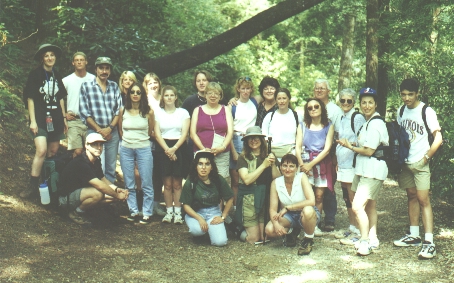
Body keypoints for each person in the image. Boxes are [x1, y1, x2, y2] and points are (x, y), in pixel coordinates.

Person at [393, 78, 443, 259]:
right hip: (406, 162)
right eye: (403, 94)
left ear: (417, 93)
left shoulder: (426, 111)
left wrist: (426, 158)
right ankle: (414, 234)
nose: (406, 98)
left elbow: (438, 138)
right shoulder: (401, 111)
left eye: (410, 94)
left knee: (424, 200)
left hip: (421, 162)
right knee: (411, 197)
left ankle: (429, 242)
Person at [337, 87, 389, 256]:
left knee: (357, 206)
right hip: (363, 170)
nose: (367, 106)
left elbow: (368, 150)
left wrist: (350, 146)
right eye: (364, 102)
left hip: (373, 170)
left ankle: (364, 240)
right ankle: (373, 238)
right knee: (370, 206)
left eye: (370, 103)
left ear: (376, 104)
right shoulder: (367, 122)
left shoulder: (376, 123)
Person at [20, 44, 68, 198]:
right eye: (46, 55)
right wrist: (32, 121)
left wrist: (64, 118)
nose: (50, 58)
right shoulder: (35, 74)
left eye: (52, 55)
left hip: (56, 119)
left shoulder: (57, 75)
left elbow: (60, 98)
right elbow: (30, 98)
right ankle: (33, 186)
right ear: (42, 58)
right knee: (41, 150)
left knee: (52, 152)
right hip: (40, 118)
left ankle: (47, 187)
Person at [59, 133, 129, 225]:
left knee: (113, 196)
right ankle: (76, 213)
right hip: (65, 199)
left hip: (81, 194)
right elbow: (99, 185)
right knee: (98, 193)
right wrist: (117, 195)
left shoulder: (96, 160)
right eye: (94, 144)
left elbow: (102, 179)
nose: (99, 147)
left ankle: (87, 210)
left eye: (101, 144)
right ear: (86, 146)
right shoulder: (81, 163)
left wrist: (116, 189)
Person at [265, 154, 320, 255]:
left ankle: (308, 239)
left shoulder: (301, 177)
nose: (287, 169)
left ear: (297, 168)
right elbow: (272, 209)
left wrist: (288, 207)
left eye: (291, 166)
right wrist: (276, 225)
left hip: (306, 213)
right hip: (289, 216)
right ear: (280, 167)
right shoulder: (276, 183)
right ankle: (291, 232)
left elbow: (311, 201)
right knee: (269, 229)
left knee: (308, 211)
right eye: (285, 166)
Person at [295, 98, 335, 237]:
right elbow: (298, 146)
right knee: (305, 195)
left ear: (321, 108)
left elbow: (327, 149)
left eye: (316, 106)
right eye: (310, 107)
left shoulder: (328, 125)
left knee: (319, 196)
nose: (313, 109)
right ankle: (302, 223)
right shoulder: (302, 125)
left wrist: (310, 165)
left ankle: (315, 225)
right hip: (304, 161)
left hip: (321, 163)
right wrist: (302, 165)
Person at [79, 57, 122, 183]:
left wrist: (109, 129)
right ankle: (97, 197)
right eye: (101, 68)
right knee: (98, 166)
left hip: (112, 133)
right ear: (96, 69)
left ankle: (109, 198)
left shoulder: (114, 87)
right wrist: (100, 131)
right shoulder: (86, 86)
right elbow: (85, 113)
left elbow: (118, 111)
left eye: (107, 68)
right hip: (94, 133)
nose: (104, 71)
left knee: (110, 168)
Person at [180, 150, 234, 247]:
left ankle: (212, 231)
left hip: (214, 212)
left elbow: (230, 198)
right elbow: (186, 205)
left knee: (220, 242)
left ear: (211, 167)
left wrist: (223, 217)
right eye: (200, 164)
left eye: (207, 164)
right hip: (196, 212)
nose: (203, 167)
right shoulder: (191, 182)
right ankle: (200, 233)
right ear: (196, 166)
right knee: (198, 231)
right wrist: (199, 218)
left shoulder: (218, 180)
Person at [236, 126, 280, 243]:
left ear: (261, 140)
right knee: (253, 239)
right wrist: (264, 165)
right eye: (250, 138)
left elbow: (277, 178)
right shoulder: (243, 158)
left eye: (256, 138)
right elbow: (247, 180)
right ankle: (237, 230)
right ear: (246, 141)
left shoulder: (269, 155)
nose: (253, 140)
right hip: (249, 199)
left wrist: (273, 164)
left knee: (264, 237)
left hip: (264, 199)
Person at [118, 83, 155, 224]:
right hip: (126, 148)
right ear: (128, 94)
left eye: (138, 92)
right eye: (132, 92)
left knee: (146, 181)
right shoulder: (123, 110)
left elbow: (150, 130)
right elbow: (120, 130)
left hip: (144, 148)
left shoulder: (148, 112)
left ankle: (147, 212)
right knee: (129, 182)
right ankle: (133, 211)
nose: (135, 94)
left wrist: (139, 140)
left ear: (142, 95)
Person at [154, 85, 190, 224]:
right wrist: (167, 150)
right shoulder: (158, 113)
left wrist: (174, 149)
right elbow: (157, 134)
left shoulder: (183, 113)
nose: (169, 98)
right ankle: (169, 212)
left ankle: (178, 213)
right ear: (163, 97)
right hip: (163, 148)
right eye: (166, 95)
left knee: (177, 184)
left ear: (176, 97)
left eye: (171, 95)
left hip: (179, 147)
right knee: (167, 184)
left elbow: (185, 133)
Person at [333, 89, 365, 244]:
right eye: (343, 100)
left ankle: (359, 231)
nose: (345, 103)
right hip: (343, 163)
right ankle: (352, 227)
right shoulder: (341, 117)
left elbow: (363, 141)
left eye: (349, 101)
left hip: (353, 163)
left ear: (354, 102)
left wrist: (350, 144)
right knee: (346, 197)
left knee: (353, 197)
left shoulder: (357, 117)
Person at [312, 79, 343, 233]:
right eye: (317, 88)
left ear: (328, 91)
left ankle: (329, 218)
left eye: (322, 88)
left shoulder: (335, 110)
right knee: (313, 187)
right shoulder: (310, 106)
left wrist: (335, 156)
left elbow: (338, 133)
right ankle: (313, 219)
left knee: (328, 186)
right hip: (312, 152)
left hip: (329, 152)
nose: (319, 91)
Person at [190, 82, 233, 179]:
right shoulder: (197, 110)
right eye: (210, 93)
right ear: (205, 95)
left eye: (216, 93)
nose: (213, 96)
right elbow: (193, 133)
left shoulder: (225, 109)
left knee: (222, 180)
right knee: (202, 180)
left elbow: (230, 132)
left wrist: (222, 147)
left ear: (220, 96)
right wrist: (203, 150)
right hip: (201, 152)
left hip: (221, 152)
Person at [228, 77, 258, 206]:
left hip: (252, 140)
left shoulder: (255, 101)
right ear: (238, 89)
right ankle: (235, 207)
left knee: (250, 176)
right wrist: (233, 151)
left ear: (251, 89)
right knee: (236, 179)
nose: (245, 91)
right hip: (236, 139)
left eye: (248, 88)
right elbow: (227, 130)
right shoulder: (232, 106)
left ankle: (248, 206)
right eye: (243, 88)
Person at [62, 51, 96, 157]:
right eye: (76, 60)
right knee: (77, 151)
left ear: (86, 62)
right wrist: (64, 115)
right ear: (73, 63)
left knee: (91, 150)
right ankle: (73, 173)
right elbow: (58, 99)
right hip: (73, 120)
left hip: (90, 120)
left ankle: (89, 173)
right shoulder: (66, 80)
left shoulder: (93, 79)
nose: (79, 62)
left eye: (81, 60)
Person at [143, 72, 167, 216]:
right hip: (148, 141)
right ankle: (146, 204)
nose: (153, 85)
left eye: (155, 82)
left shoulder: (164, 99)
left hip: (164, 141)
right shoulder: (143, 100)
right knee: (147, 174)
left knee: (159, 174)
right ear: (146, 86)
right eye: (149, 83)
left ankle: (156, 203)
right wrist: (152, 134)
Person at [261, 88, 302, 160]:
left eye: (284, 98)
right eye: (279, 98)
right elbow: (264, 138)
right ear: (276, 100)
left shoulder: (297, 116)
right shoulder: (269, 116)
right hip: (272, 156)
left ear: (289, 99)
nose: (282, 101)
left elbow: (300, 138)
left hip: (291, 156)